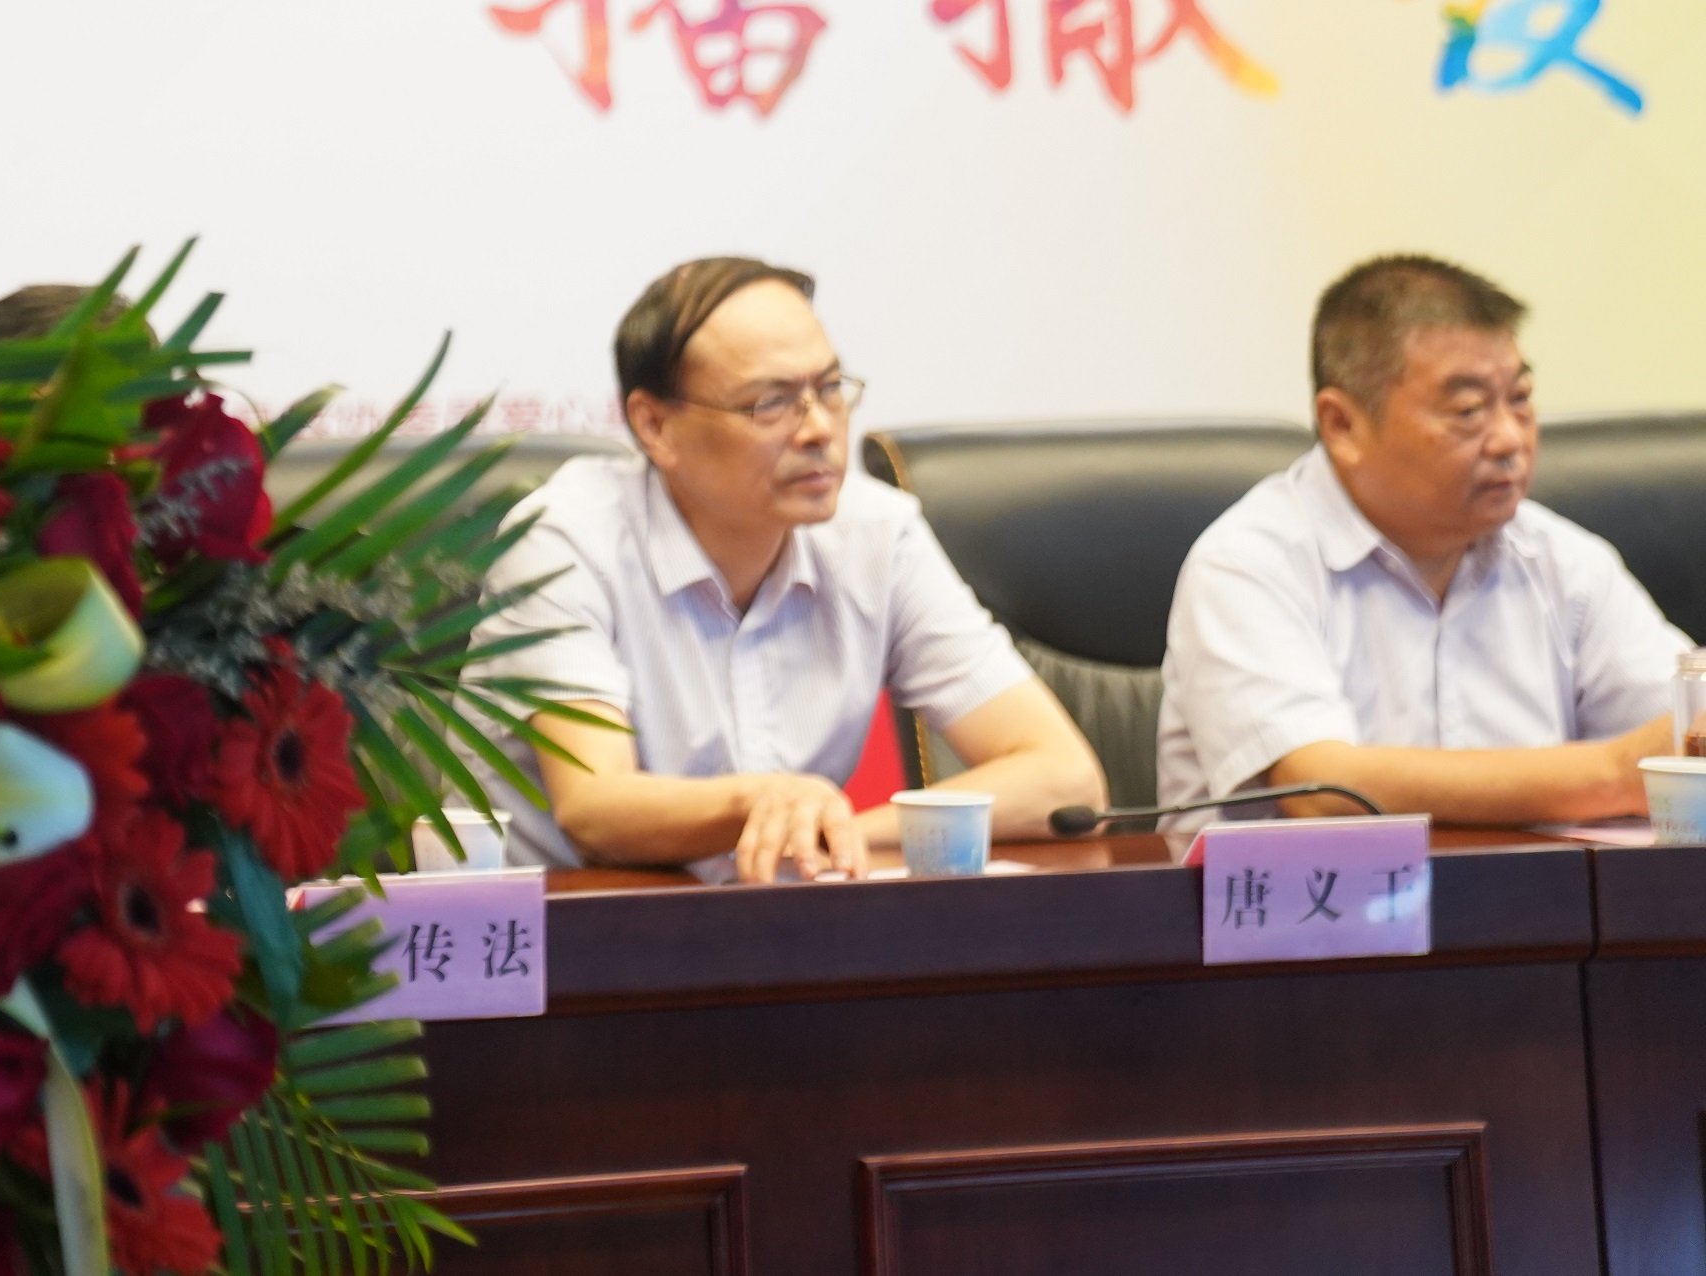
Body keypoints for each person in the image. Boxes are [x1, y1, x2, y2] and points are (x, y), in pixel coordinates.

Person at [487, 256, 1102, 882]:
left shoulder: (876, 534)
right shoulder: (565, 542)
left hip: (776, 923)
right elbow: (595, 806)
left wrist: (838, 834)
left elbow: (1065, 780)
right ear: (655, 425)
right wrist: (764, 800)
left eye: (830, 389)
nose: (818, 429)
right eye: (771, 402)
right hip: (563, 927)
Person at [1156, 254, 1685, 823]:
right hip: (1316, 886)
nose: (1509, 439)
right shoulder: (1249, 562)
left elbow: (1685, 727)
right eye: (1468, 409)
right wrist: (1614, 772)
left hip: (1538, 884)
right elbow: (1321, 789)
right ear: (1342, 425)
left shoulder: (1566, 564)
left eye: (1520, 399)